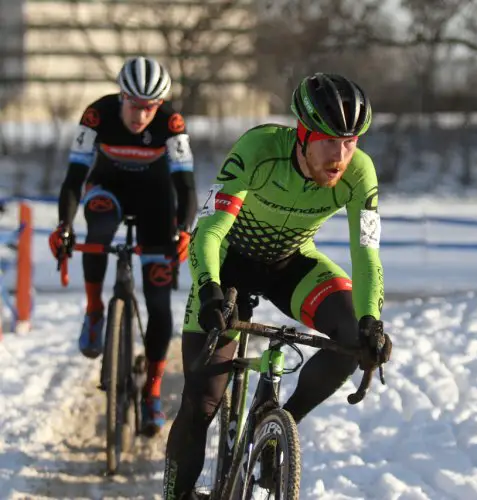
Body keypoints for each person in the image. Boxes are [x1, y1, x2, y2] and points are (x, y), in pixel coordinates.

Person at [162, 72, 392, 498]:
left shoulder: (360, 173)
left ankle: (275, 435)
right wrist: (210, 288)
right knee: (202, 403)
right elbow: (208, 232)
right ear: (302, 134)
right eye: (328, 140)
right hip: (229, 264)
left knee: (352, 337)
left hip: (292, 263)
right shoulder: (259, 150)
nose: (340, 156)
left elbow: (366, 254)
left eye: (351, 141)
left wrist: (371, 320)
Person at [48, 56, 198, 436]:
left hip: (155, 203)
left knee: (159, 300)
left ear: (160, 105)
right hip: (107, 189)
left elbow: (186, 187)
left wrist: (184, 229)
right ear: (121, 97)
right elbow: (73, 178)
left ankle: (152, 391)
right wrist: (64, 226)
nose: (141, 114)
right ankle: (96, 310)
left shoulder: (172, 123)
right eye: (134, 104)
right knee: (97, 227)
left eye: (150, 107)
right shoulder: (97, 115)